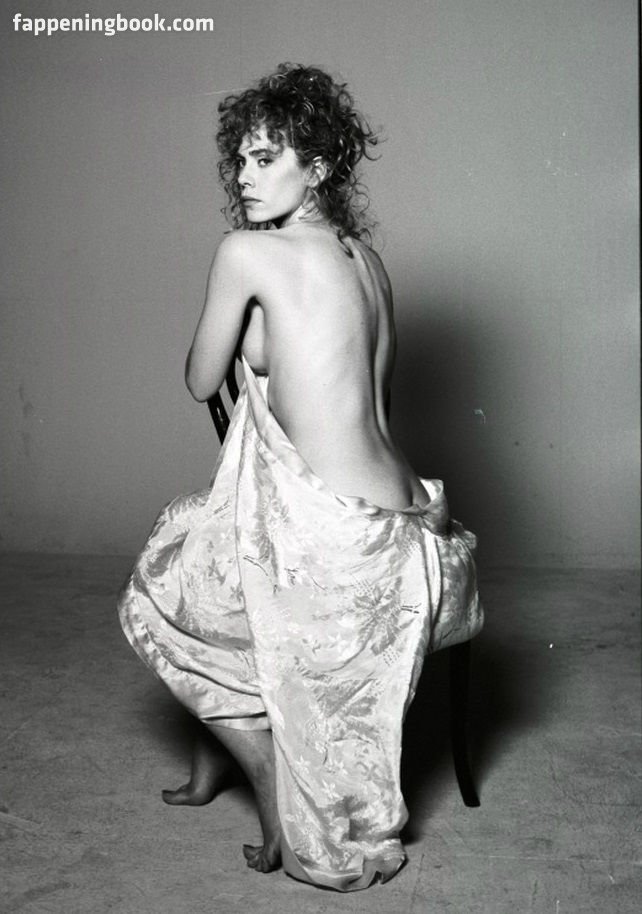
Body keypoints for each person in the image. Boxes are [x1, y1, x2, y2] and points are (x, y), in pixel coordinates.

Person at [118, 63, 483, 892]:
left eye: (266, 159)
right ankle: (212, 762)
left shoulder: (247, 252)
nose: (244, 178)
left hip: (341, 549)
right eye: (240, 161)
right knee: (212, 552)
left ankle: (258, 768)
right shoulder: (369, 263)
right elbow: (345, 393)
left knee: (157, 592)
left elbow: (200, 379)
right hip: (411, 532)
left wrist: (240, 324)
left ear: (317, 167)